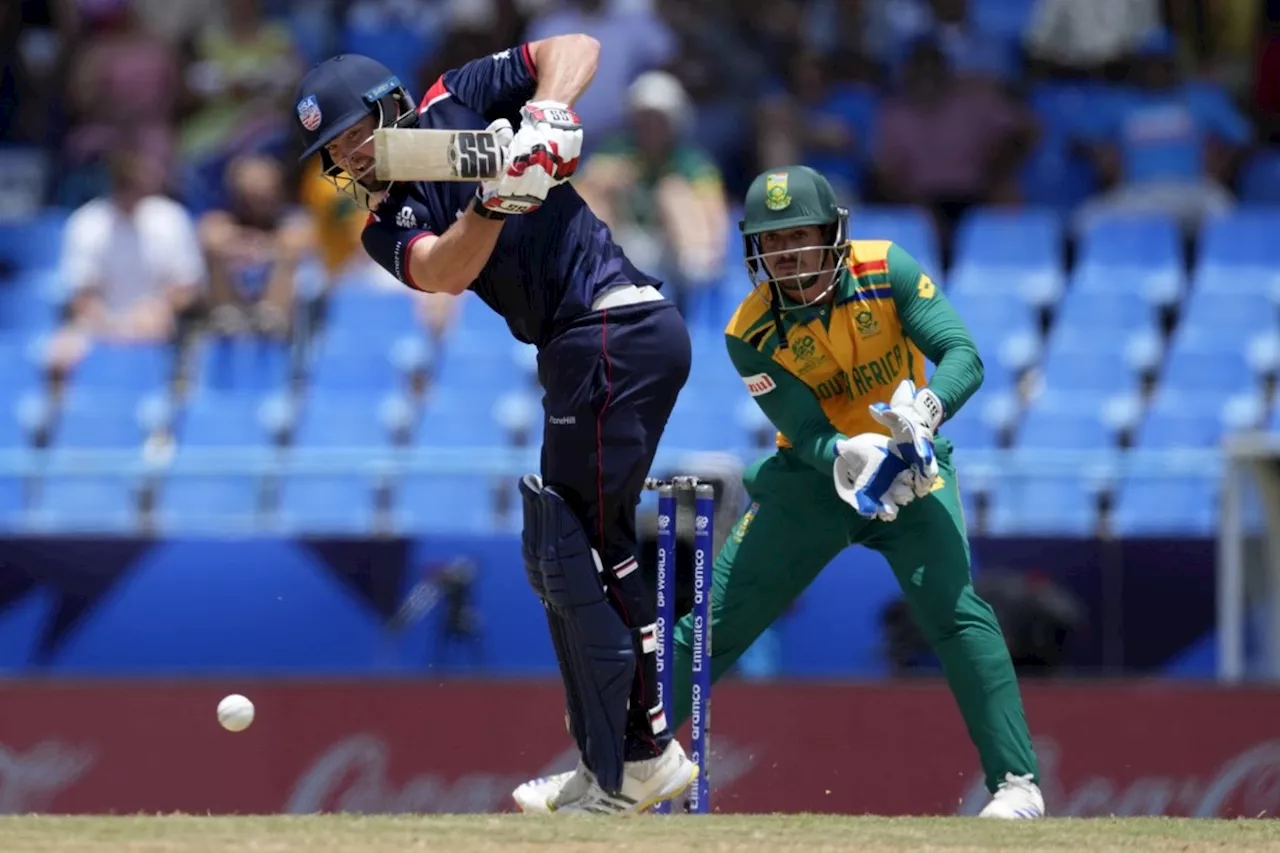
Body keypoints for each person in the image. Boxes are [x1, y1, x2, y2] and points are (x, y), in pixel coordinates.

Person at [516, 165, 1045, 819]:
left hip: (914, 468)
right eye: (774, 241)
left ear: (834, 233)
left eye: (801, 236)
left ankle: (1017, 784)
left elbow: (963, 352)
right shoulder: (749, 330)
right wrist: (845, 452)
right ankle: (608, 769)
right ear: (754, 249)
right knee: (706, 630)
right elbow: (803, 427)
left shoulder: (888, 268)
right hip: (814, 481)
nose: (788, 253)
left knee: (957, 614)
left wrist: (929, 410)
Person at [293, 36, 696, 814]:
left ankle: (644, 753)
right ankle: (605, 759)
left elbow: (576, 46)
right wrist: (495, 199)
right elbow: (445, 271)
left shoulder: (459, 100)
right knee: (561, 550)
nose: (350, 156)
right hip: (580, 344)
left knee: (588, 548)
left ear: (391, 108)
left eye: (353, 133)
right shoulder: (383, 222)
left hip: (613, 325)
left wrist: (546, 112)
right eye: (333, 148)